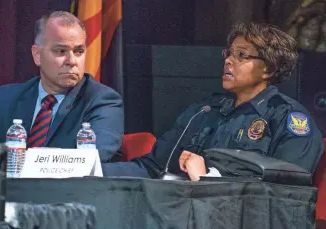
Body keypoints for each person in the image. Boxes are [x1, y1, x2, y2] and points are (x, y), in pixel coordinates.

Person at [103, 22, 324, 181]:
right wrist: (91, 171)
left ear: (270, 69)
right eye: (229, 53)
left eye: (242, 55)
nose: (229, 60)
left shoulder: (288, 118)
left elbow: (287, 192)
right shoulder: (204, 112)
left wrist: (207, 180)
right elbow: (152, 166)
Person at [0, 11, 124, 170]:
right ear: (37, 55)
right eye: (61, 51)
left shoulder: (103, 100)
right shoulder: (7, 98)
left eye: (79, 51)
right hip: (4, 198)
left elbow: (87, 161)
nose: (72, 61)